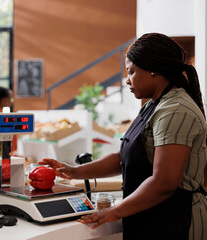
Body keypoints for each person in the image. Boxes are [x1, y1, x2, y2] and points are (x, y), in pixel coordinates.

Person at [39, 33, 207, 240]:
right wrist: (74, 172)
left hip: (176, 221)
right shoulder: (154, 106)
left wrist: (115, 211)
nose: (127, 80)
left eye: (132, 71)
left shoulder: (175, 110)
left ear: (153, 69)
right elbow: (123, 158)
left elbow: (164, 183)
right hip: (151, 217)